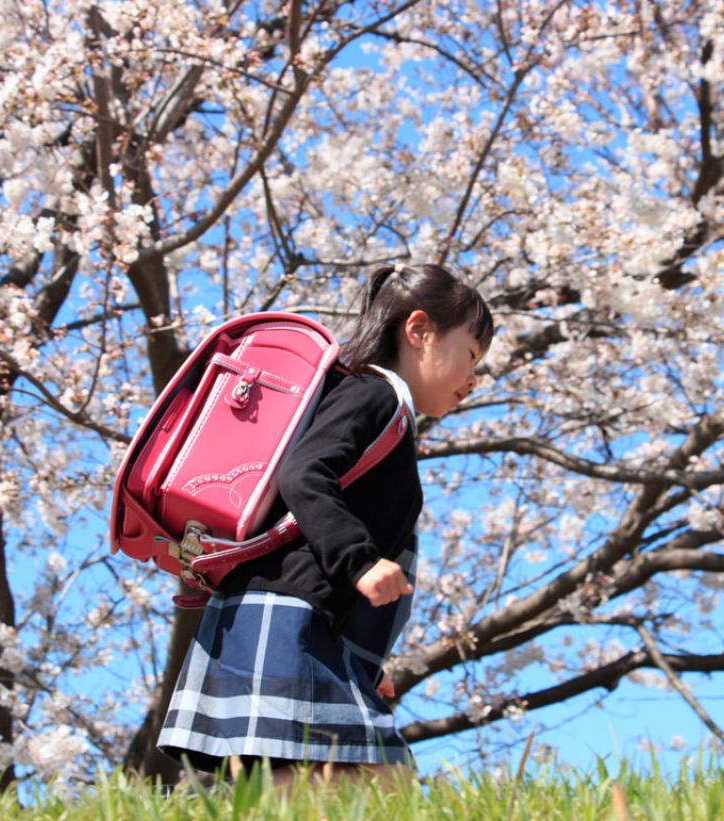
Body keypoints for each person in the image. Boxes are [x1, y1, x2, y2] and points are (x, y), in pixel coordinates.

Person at [156, 263, 494, 786]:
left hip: (306, 620)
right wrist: (359, 561)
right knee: (355, 781)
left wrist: (366, 666)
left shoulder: (384, 407)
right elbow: (305, 474)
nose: (474, 380)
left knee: (339, 782)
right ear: (419, 330)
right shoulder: (373, 394)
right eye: (471, 355)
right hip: (287, 615)